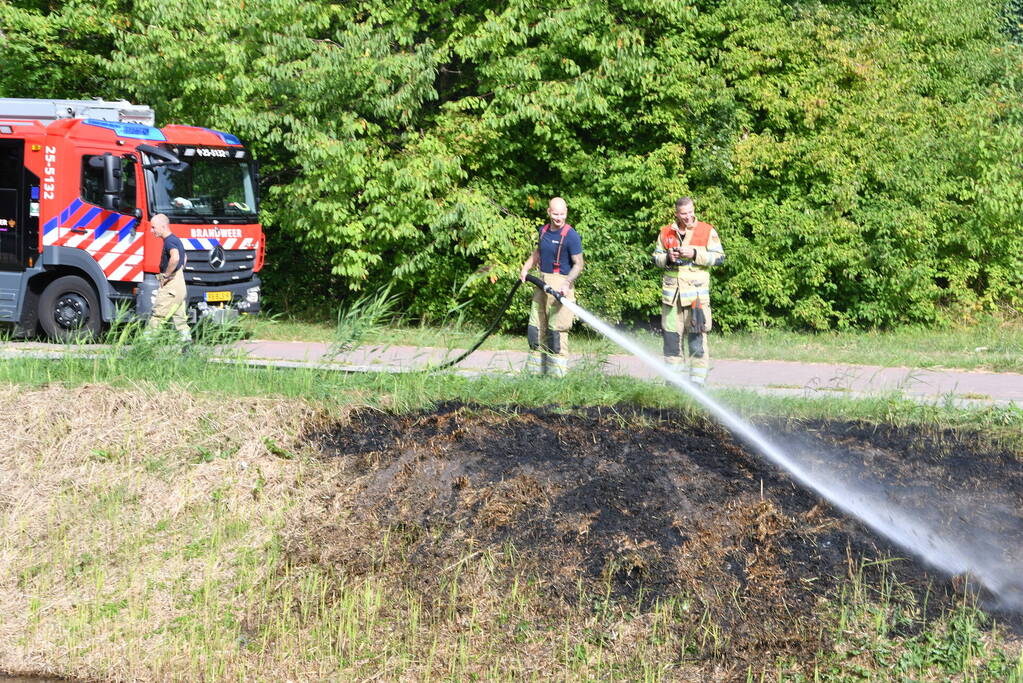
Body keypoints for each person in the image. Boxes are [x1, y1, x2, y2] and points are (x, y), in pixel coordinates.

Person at [651, 197, 725, 386]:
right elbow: (655, 258)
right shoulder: (665, 232)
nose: (688, 216)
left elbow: (719, 258)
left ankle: (697, 385)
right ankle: (673, 385)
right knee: (671, 343)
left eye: (691, 211)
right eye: (683, 213)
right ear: (676, 214)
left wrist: (694, 254)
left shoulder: (707, 230)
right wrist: (668, 257)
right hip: (672, 299)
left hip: (696, 299)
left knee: (697, 343)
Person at [519, 197, 584, 376]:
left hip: (561, 285)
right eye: (555, 214)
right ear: (548, 212)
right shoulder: (544, 231)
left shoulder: (571, 236)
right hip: (542, 283)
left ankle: (557, 377)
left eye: (562, 214)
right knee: (535, 329)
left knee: (556, 333)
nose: (559, 218)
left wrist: (567, 283)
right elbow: (538, 253)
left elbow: (579, 264)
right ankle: (534, 374)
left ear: (566, 212)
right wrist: (525, 269)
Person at [148, 213, 191, 343]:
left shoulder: (169, 241)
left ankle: (143, 346)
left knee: (158, 315)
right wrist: (178, 272)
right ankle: (186, 346)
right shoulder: (176, 240)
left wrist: (166, 275)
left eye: (153, 227)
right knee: (180, 319)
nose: (152, 230)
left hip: (171, 285)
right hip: (180, 284)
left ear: (163, 226)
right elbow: (184, 258)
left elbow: (176, 257)